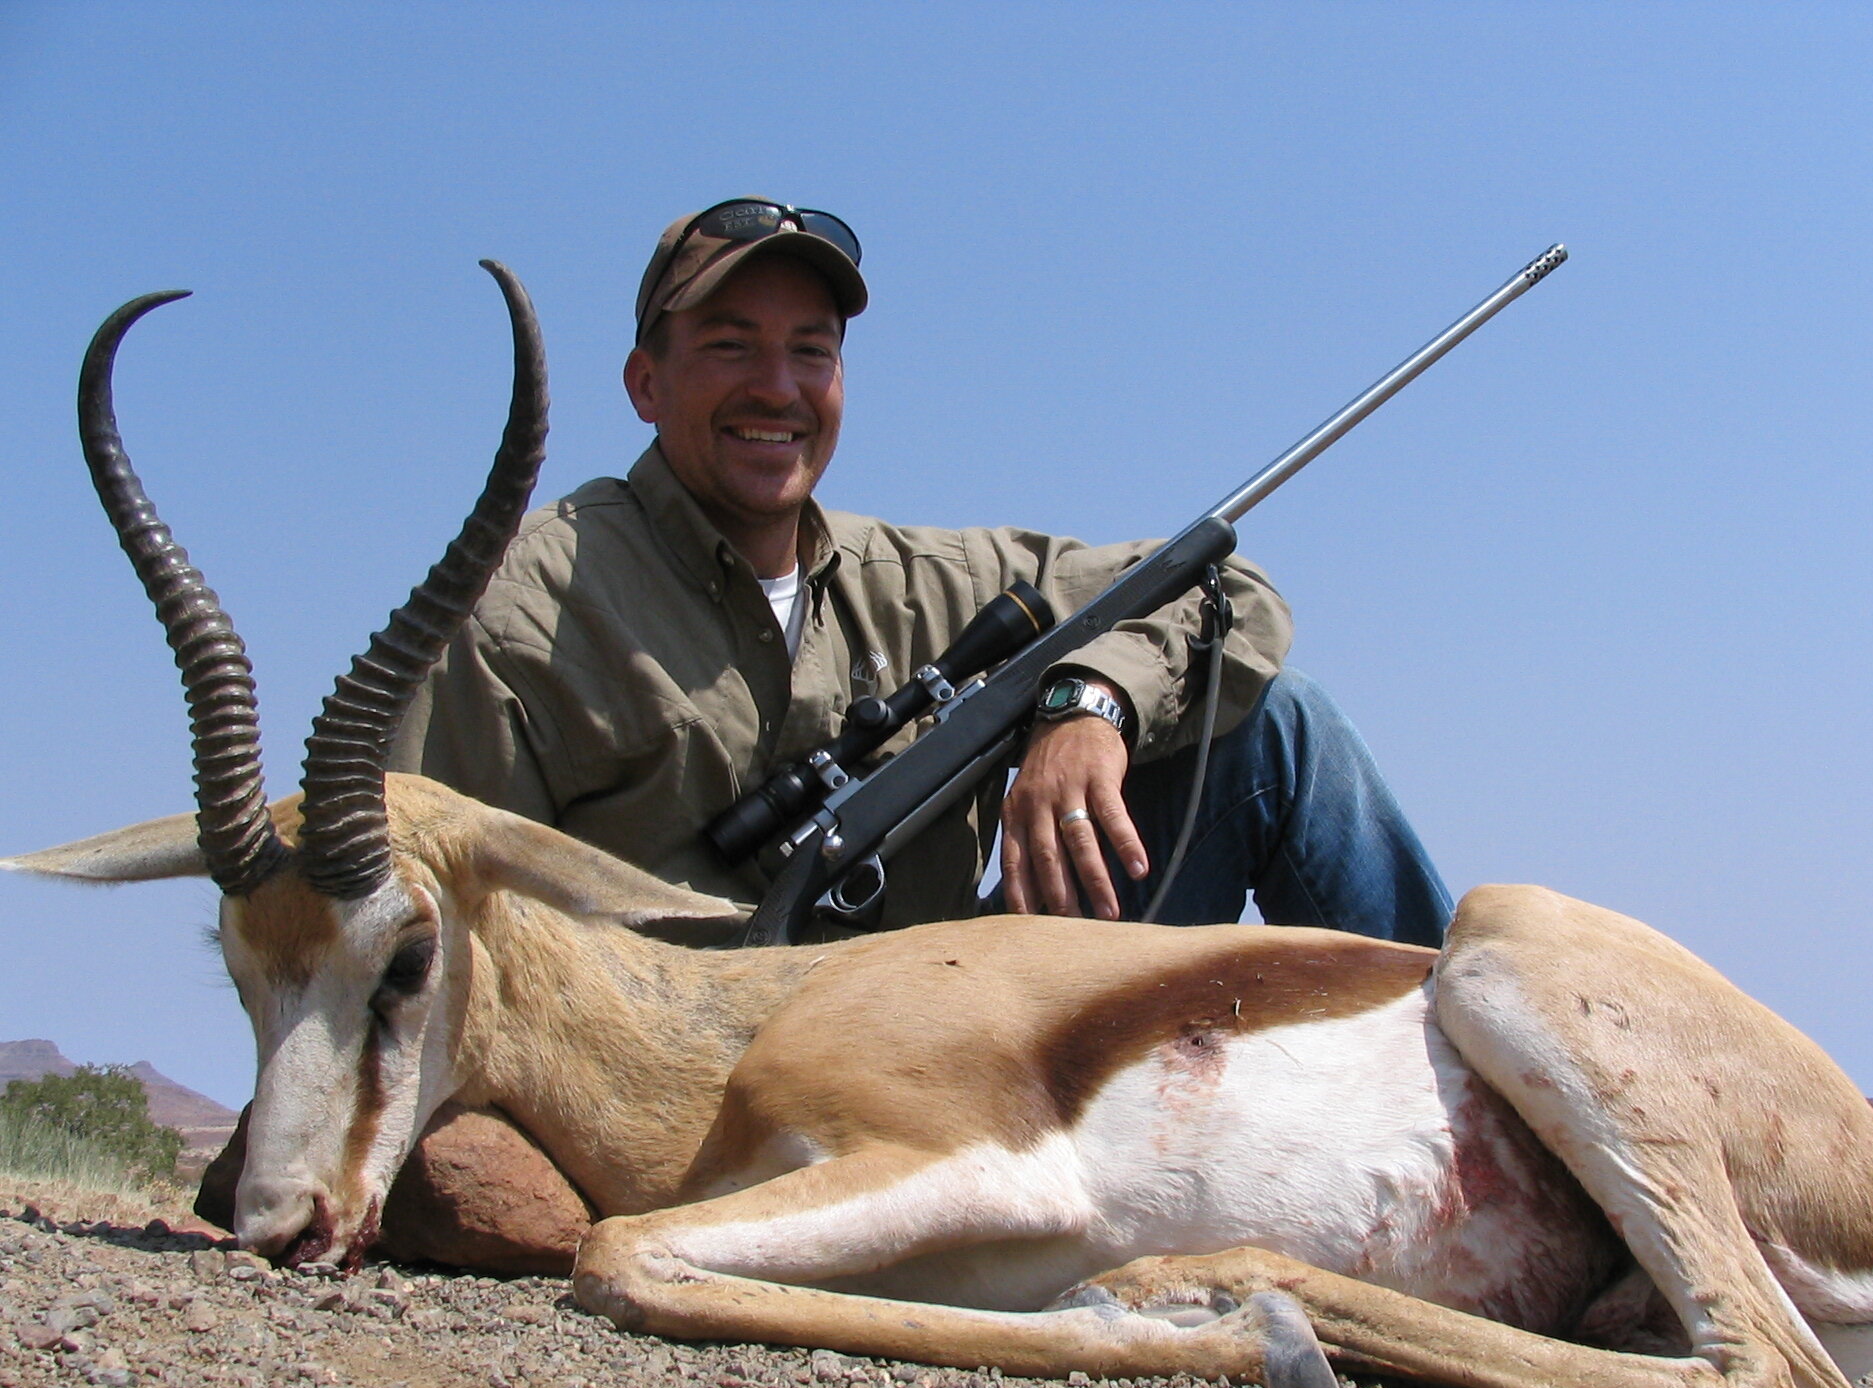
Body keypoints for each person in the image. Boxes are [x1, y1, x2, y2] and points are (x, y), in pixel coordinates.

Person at [392, 198, 1450, 944]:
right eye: (727, 346)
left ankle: (1490, 1117)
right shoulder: (517, 612)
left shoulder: (937, 580)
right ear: (643, 382)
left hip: (952, 1040)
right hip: (681, 1080)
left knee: (1276, 730)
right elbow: (417, 903)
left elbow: (1226, 590)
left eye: (811, 351)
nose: (777, 387)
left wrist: (1090, 702)